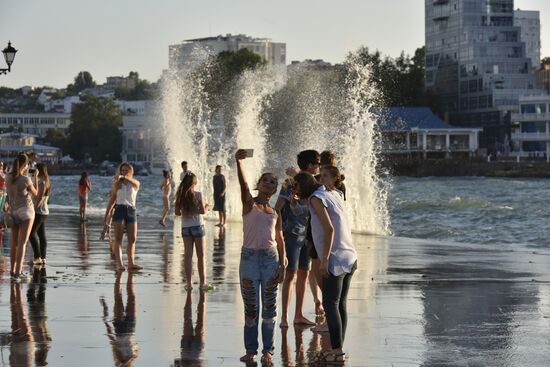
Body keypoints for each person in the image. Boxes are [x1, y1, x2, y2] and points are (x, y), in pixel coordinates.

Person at [294, 168, 357, 364]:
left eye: (296, 187)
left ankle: (336, 352)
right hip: (350, 255)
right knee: (340, 305)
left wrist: (325, 260)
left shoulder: (316, 198)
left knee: (330, 304)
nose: (294, 190)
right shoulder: (332, 192)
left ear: (302, 187)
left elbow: (329, 229)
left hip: (335, 259)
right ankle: (337, 350)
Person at [235, 149, 286, 366]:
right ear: (259, 184)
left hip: (270, 259)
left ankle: (268, 351)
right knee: (251, 309)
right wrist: (239, 162)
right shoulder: (250, 203)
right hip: (249, 260)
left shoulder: (275, 212)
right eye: (264, 180)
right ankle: (250, 351)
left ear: (275, 189)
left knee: (269, 309)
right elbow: (243, 184)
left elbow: (280, 237)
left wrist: (283, 263)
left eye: (272, 182)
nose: (268, 183)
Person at [275, 175, 315, 328]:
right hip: (291, 233)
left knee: (304, 274)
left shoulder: (313, 186)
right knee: (290, 274)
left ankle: (298, 314)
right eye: (316, 164)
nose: (318, 167)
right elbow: (277, 208)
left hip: (307, 235)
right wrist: (278, 230)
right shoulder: (290, 184)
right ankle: (284, 317)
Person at [174, 172, 212, 290]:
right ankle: (202, 283)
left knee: (188, 256)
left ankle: (189, 283)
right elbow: (202, 212)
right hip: (197, 227)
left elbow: (177, 213)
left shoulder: (180, 196)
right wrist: (208, 207)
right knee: (201, 256)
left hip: (185, 228)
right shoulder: (198, 195)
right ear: (195, 183)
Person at [103, 162, 142, 272]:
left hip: (131, 210)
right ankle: (119, 264)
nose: (124, 172)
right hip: (119, 209)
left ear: (131, 171)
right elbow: (112, 200)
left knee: (132, 238)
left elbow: (135, 183)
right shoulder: (116, 184)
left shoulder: (135, 183)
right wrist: (106, 215)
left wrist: (124, 177)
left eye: (126, 170)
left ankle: (131, 263)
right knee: (118, 239)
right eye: (122, 170)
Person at [7, 153, 38, 281]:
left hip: (13, 212)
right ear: (25, 165)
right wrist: (35, 177)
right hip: (26, 211)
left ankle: (12, 270)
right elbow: (35, 193)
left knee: (14, 243)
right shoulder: (26, 179)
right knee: (22, 243)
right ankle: (18, 272)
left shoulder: (8, 177)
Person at [29, 163, 51, 265]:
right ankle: (43, 258)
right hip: (43, 212)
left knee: (31, 234)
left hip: (39, 212)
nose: (34, 171)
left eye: (35, 169)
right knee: (41, 235)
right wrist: (34, 178)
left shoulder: (42, 183)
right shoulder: (45, 181)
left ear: (39, 170)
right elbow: (36, 192)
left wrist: (33, 210)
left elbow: (39, 199)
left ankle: (38, 257)